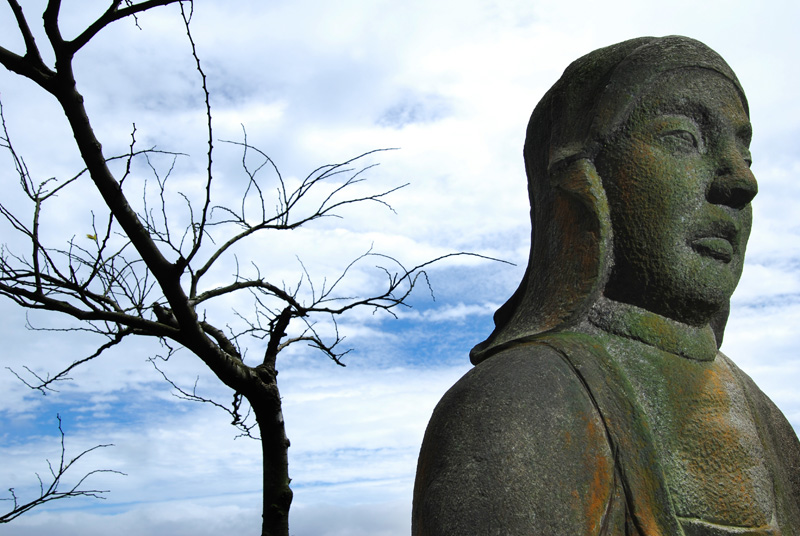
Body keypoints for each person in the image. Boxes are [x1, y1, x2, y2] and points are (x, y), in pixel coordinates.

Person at [412, 36, 800, 535]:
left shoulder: (772, 428)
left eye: (745, 152)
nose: (742, 182)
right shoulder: (520, 406)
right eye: (684, 138)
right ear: (584, 179)